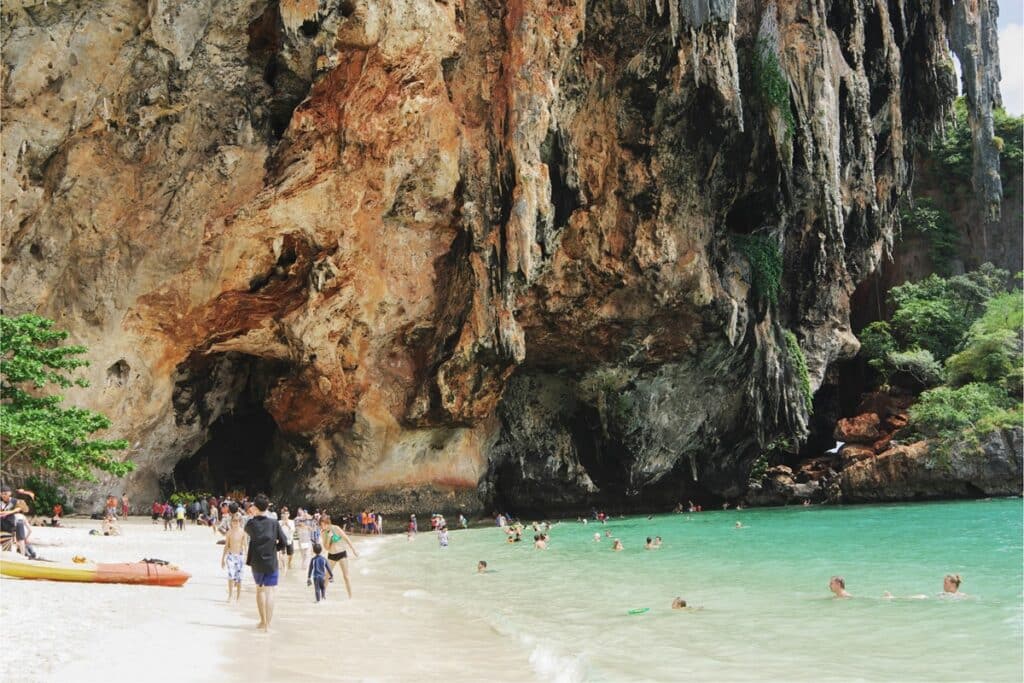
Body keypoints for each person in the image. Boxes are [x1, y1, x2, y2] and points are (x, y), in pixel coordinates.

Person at [244, 494, 290, 630]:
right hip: (271, 561)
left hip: (256, 562)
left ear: (256, 508)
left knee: (260, 590)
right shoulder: (274, 523)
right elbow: (284, 541)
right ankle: (268, 625)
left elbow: (247, 529)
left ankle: (263, 621)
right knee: (270, 592)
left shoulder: (251, 523)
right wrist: (276, 548)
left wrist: (253, 514)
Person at [319, 514, 359, 598]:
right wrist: (329, 538)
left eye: (324, 524)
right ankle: (322, 596)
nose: (323, 527)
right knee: (326, 576)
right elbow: (326, 548)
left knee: (346, 576)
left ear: (328, 522)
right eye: (321, 525)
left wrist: (354, 550)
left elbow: (346, 538)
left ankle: (350, 597)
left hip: (341, 554)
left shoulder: (336, 528)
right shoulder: (323, 533)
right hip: (332, 555)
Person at [221, 513, 247, 602]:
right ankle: (230, 595)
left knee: (239, 578)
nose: (236, 522)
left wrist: (247, 556)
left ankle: (238, 597)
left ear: (240, 522)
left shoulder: (243, 532)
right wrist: (222, 559)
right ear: (231, 522)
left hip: (240, 556)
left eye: (238, 521)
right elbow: (226, 546)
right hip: (231, 556)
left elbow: (245, 545)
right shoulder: (229, 532)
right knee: (231, 576)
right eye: (234, 521)